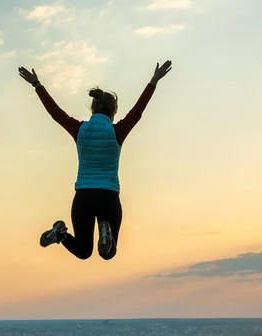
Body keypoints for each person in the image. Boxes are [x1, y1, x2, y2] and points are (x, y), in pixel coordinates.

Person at [18, 60, 173, 260]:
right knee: (108, 253)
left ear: (93, 108)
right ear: (114, 111)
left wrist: (37, 84)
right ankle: (105, 232)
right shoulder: (117, 131)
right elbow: (137, 111)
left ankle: (61, 235)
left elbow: (55, 113)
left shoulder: (80, 130)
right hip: (108, 196)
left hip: (84, 196)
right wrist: (154, 80)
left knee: (84, 251)